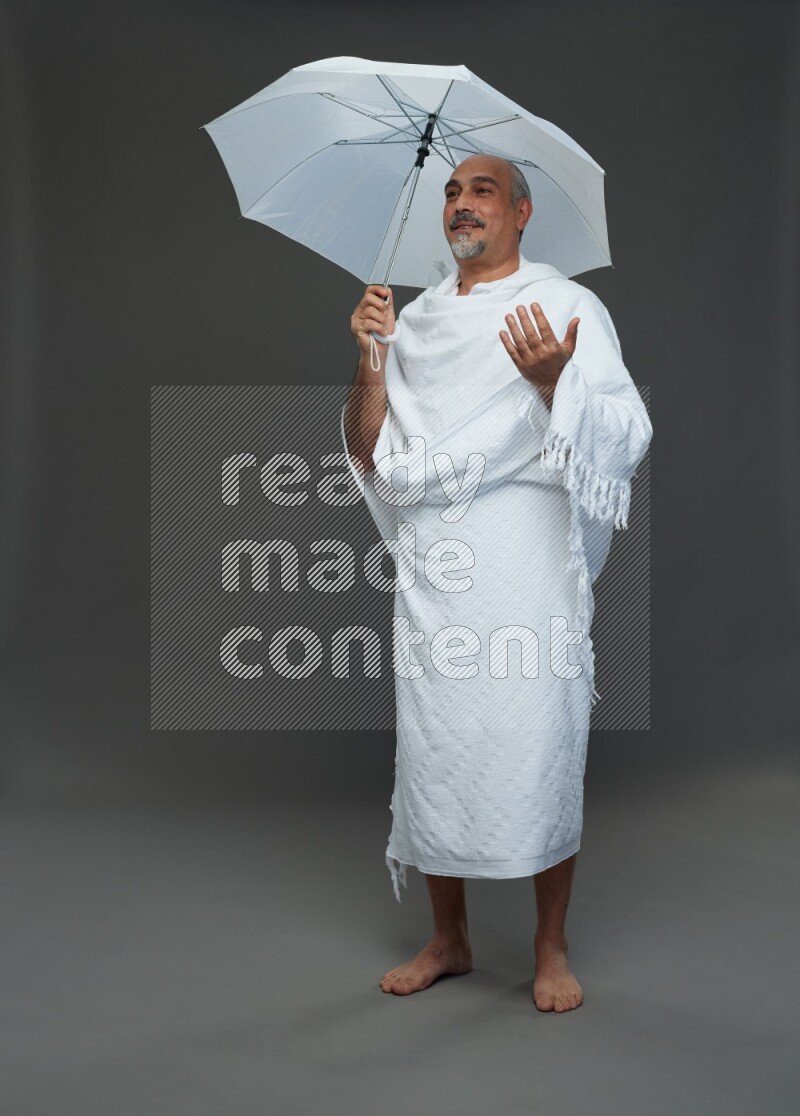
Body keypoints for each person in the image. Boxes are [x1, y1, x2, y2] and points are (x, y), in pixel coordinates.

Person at [340, 153, 652, 1012]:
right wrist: (372, 356)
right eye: (450, 193)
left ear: (519, 214)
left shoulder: (565, 305)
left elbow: (626, 431)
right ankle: (450, 938)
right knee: (438, 746)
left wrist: (557, 384)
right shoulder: (419, 320)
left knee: (539, 744)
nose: (461, 205)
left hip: (525, 559)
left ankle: (551, 949)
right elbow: (370, 451)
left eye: (481, 191)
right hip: (439, 566)